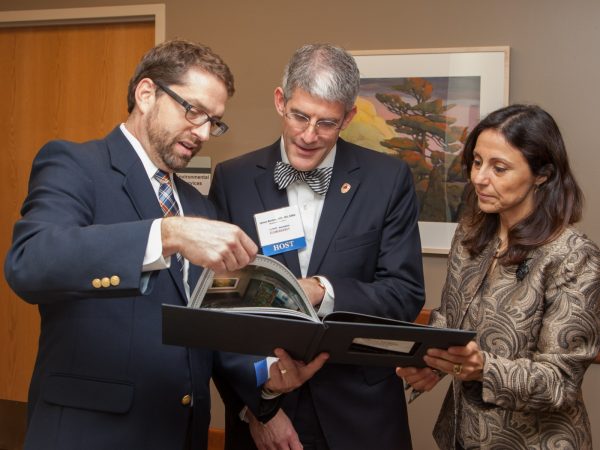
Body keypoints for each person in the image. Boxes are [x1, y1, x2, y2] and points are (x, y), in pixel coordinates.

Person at [3, 39, 327, 450]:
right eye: (193, 111)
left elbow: (210, 329)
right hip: (92, 434)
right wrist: (166, 233)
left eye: (215, 121)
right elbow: (29, 263)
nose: (204, 133)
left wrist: (264, 380)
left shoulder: (198, 205)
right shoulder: (76, 165)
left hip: (180, 432)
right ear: (145, 94)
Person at [209, 43, 425, 450]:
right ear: (280, 100)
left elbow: (405, 293)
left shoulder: (387, 178)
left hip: (361, 414)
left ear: (349, 117)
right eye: (300, 116)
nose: (309, 136)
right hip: (265, 408)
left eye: (326, 123)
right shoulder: (233, 179)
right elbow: (218, 308)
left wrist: (323, 291)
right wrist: (260, 407)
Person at [397, 104, 600, 450]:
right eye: (477, 162)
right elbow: (450, 320)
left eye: (499, 168)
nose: (479, 178)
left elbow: (559, 382)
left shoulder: (573, 256)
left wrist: (483, 369)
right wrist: (428, 362)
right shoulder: (470, 235)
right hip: (461, 435)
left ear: (543, 174)